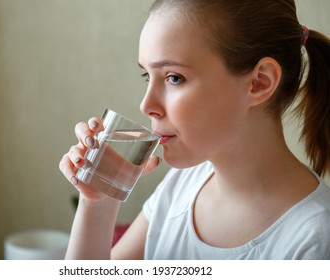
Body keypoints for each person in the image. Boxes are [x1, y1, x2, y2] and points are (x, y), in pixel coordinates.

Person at [59, 0, 330, 259]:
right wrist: (99, 203)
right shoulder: (182, 185)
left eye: (174, 78)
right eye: (147, 76)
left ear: (259, 82)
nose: (146, 105)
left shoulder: (313, 243)